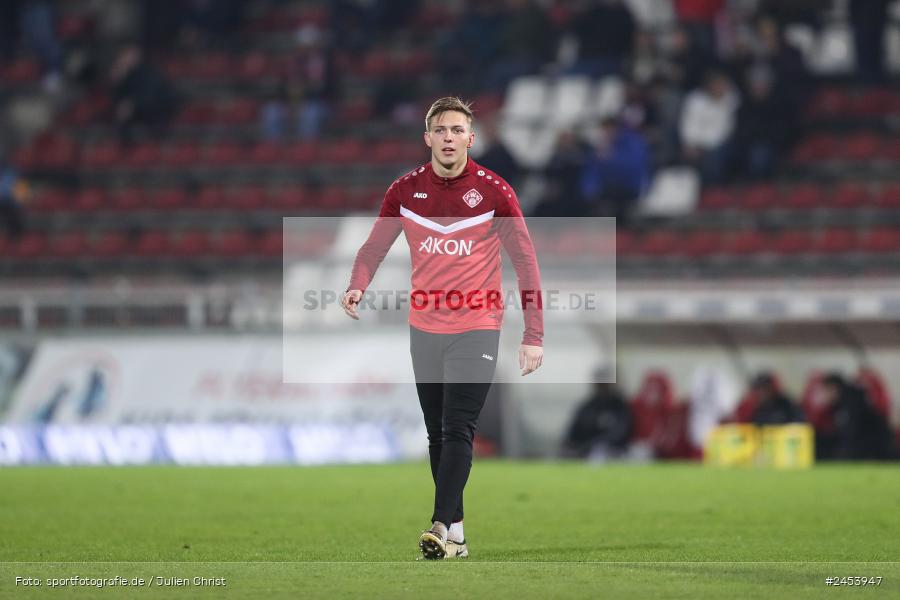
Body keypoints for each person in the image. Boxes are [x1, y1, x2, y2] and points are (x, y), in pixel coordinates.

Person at [341, 97, 544, 560]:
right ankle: (456, 535)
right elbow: (373, 248)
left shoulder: (495, 192)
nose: (449, 138)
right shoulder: (404, 191)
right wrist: (357, 286)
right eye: (441, 130)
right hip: (424, 327)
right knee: (437, 433)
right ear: (427, 138)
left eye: (457, 130)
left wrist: (534, 335)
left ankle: (437, 525)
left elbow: (526, 264)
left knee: (458, 429)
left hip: (478, 324)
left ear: (471, 138)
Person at [816, 373, 894, 460]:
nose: (825, 395)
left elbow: (850, 434)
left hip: (876, 445)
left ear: (834, 388)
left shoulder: (851, 403)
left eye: (826, 391)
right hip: (867, 443)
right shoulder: (839, 406)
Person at [562, 378, 632, 460]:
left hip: (612, 451)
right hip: (584, 452)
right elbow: (573, 432)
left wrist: (595, 444)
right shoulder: (588, 406)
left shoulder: (619, 406)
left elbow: (620, 432)